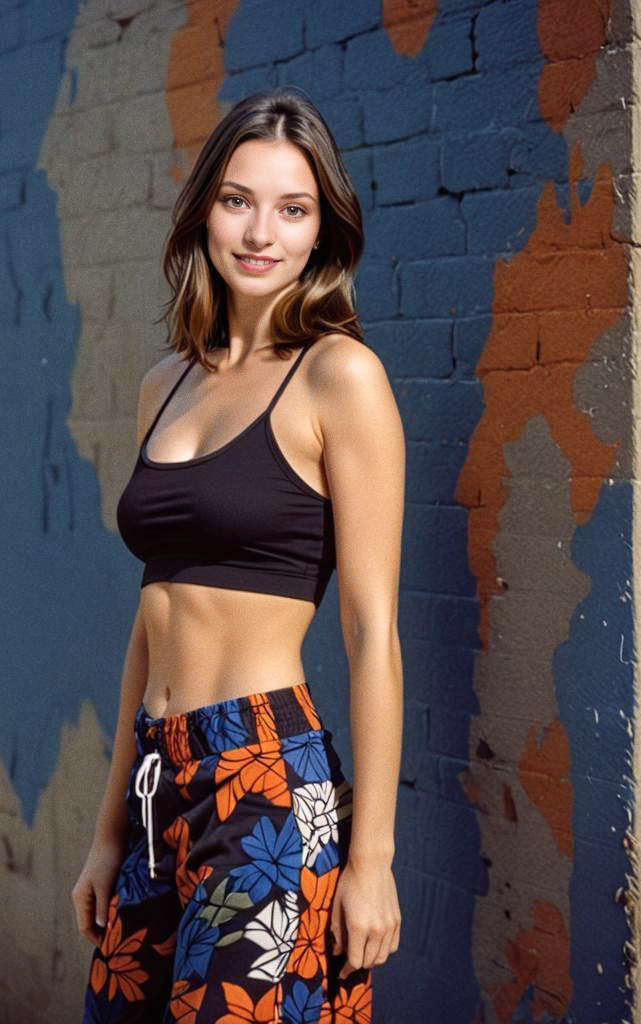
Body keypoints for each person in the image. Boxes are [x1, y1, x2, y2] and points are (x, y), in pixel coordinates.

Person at [74, 86, 405, 1024]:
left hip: (263, 781)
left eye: (292, 209)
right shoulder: (162, 385)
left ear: (321, 233)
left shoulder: (340, 376)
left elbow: (373, 631)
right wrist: (107, 836)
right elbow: (153, 617)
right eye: (238, 200)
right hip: (154, 782)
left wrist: (371, 857)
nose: (262, 231)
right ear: (204, 214)